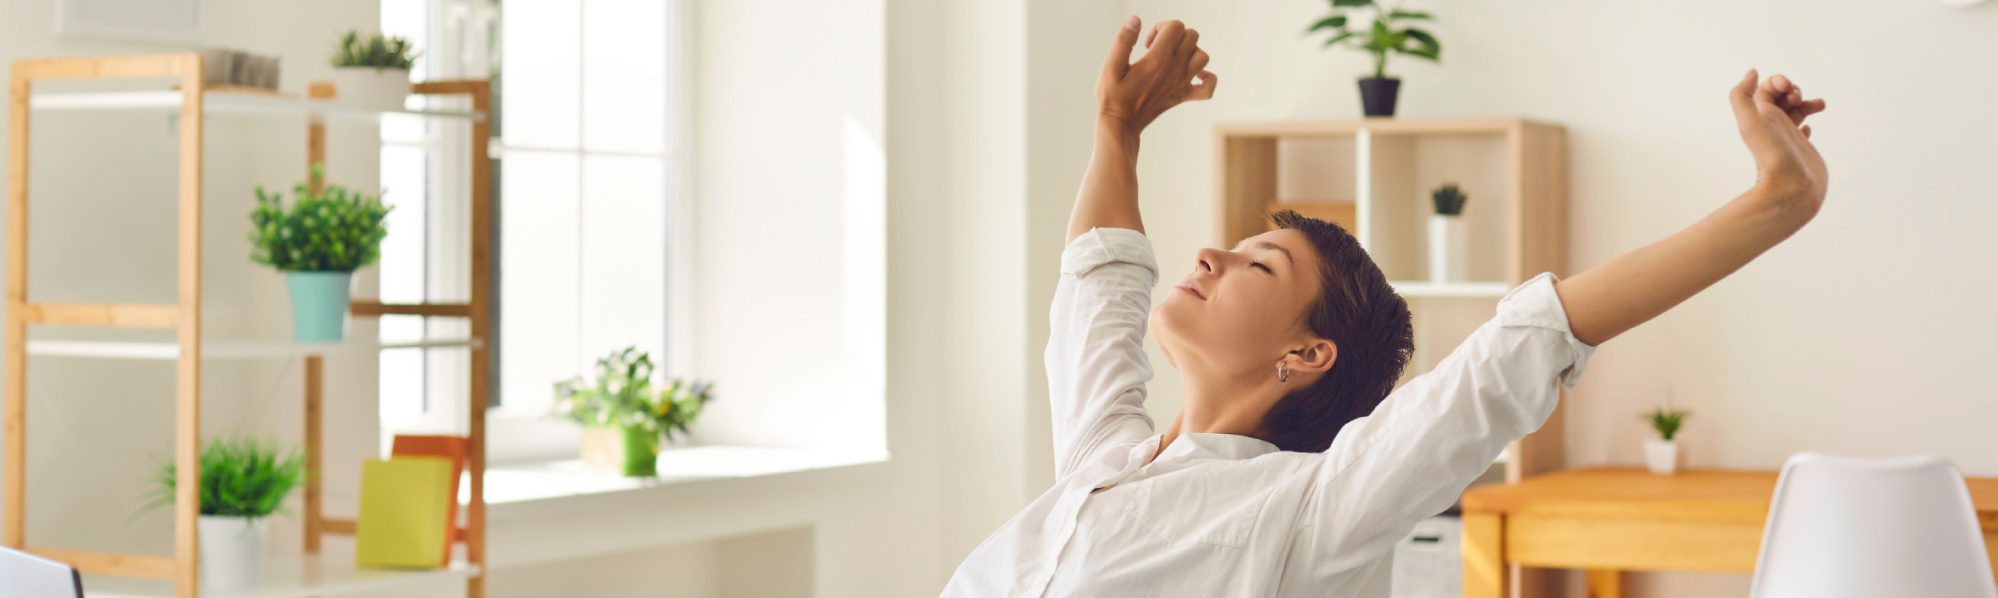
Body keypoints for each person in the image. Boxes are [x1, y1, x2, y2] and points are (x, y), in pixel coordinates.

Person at [941, 15, 1828, 597]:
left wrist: (1775, 204)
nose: (1209, 255)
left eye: (1258, 265)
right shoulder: (1105, 461)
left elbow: (1523, 344)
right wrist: (1117, 127)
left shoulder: (1310, 507)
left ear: (1306, 353)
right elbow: (1099, 285)